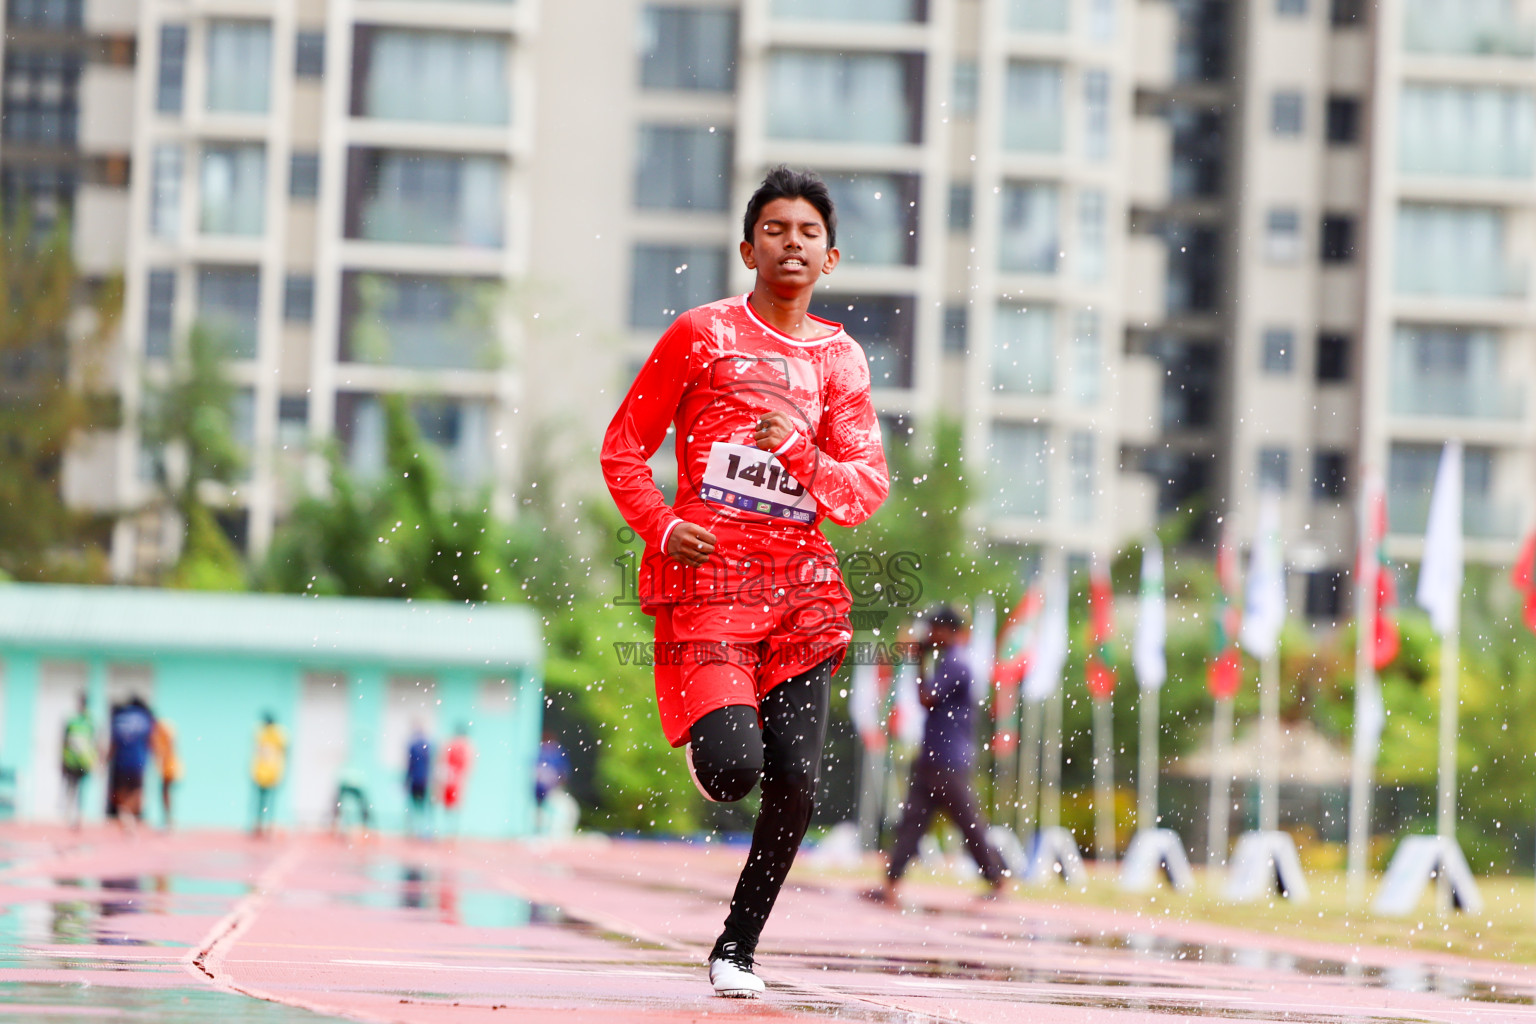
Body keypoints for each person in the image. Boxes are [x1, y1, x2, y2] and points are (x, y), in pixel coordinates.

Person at [601, 166, 888, 998]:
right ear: (747, 247)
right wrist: (661, 524)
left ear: (830, 257)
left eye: (807, 233)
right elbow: (623, 448)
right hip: (710, 583)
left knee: (799, 780)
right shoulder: (702, 335)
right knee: (736, 771)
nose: (791, 244)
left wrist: (796, 448)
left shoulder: (840, 359)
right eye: (775, 230)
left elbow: (863, 492)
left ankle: (738, 947)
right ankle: (716, 747)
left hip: (802, 591)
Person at [867, 606, 1008, 905]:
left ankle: (998, 879)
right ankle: (892, 881)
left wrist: (918, 660)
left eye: (933, 629)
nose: (929, 635)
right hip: (936, 756)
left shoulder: (956, 663)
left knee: (967, 822)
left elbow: (925, 698)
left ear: (948, 630)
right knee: (913, 821)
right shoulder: (950, 660)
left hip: (947, 759)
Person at [106, 695, 155, 831]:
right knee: (136, 792)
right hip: (138, 762)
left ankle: (125, 813)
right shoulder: (145, 718)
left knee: (122, 792)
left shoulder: (119, 718)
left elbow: (113, 743)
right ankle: (129, 816)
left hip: (121, 761)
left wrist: (106, 760)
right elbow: (151, 741)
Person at [60, 693, 96, 830]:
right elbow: (64, 741)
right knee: (71, 788)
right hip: (71, 761)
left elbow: (94, 743)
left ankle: (78, 818)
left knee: (81, 791)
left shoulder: (90, 722)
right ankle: (68, 816)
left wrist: (94, 761)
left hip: (84, 763)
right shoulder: (71, 721)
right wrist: (62, 760)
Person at [251, 712, 287, 837]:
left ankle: (268, 827)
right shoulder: (261, 733)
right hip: (261, 774)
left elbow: (283, 754)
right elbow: (257, 753)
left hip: (272, 774)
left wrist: (280, 773)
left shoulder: (278, 734)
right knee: (260, 803)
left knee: (269, 803)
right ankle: (260, 826)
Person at [440, 724, 473, 833]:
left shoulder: (451, 744)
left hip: (450, 779)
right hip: (457, 781)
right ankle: (454, 831)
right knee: (456, 806)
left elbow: (444, 760)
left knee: (449, 807)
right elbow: (468, 765)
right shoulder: (467, 746)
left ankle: (450, 831)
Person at [149, 717, 181, 830]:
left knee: (165, 793)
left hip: (169, 766)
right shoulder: (164, 728)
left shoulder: (161, 728)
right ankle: (169, 820)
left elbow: (167, 745)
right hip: (169, 764)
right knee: (165, 792)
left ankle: (169, 820)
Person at [405, 723, 433, 839]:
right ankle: (424, 830)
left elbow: (410, 765)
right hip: (424, 780)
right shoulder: (428, 746)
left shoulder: (413, 746)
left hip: (416, 780)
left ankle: (415, 830)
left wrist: (407, 779)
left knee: (415, 806)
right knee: (424, 806)